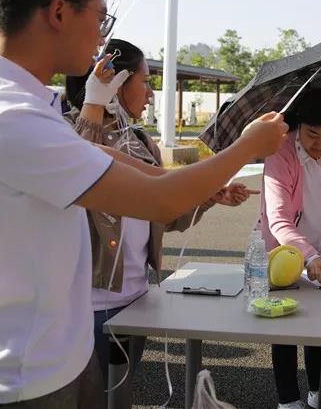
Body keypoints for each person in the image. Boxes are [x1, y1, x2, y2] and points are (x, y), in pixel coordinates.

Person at [0, 0, 286, 408]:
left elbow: (134, 172)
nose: (101, 38)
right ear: (58, 13)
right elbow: (161, 202)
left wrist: (208, 179)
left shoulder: (0, 99)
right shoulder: (10, 118)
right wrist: (247, 147)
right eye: (100, 18)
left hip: (47, 356)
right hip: (27, 377)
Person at [65, 38, 257, 388]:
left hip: (136, 298)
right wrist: (93, 105)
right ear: (117, 83)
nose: (151, 94)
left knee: (120, 394)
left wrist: (207, 197)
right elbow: (76, 173)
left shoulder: (141, 142)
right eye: (146, 81)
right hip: (85, 306)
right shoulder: (64, 132)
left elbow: (165, 214)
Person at [256, 88, 321, 409]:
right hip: (282, 251)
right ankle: (289, 399)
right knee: (285, 325)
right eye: (313, 135)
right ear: (298, 125)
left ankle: (319, 389)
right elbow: (278, 219)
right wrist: (308, 254)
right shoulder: (280, 152)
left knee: (319, 323)